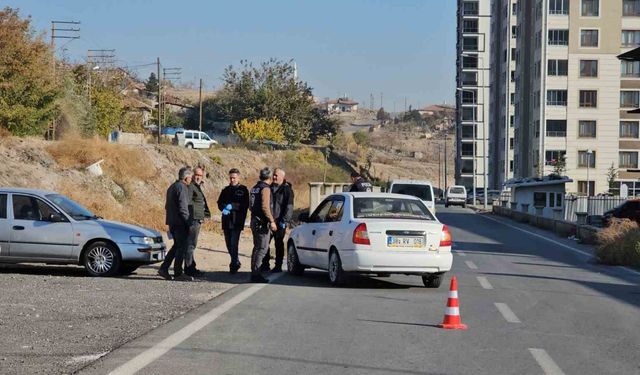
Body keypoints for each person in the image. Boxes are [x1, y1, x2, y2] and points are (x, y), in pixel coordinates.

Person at [158, 166, 194, 281]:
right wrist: (188, 222)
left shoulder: (172, 186)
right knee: (181, 248)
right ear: (187, 177)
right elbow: (183, 207)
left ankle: (164, 268)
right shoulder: (181, 187)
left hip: (172, 222)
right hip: (180, 223)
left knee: (176, 246)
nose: (191, 180)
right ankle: (178, 273)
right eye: (190, 177)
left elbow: (167, 206)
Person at [217, 168, 250, 274]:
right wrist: (224, 208)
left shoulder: (243, 189)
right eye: (230, 178)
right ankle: (236, 260)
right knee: (228, 243)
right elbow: (219, 202)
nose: (232, 180)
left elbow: (245, 205)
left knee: (234, 243)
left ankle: (233, 264)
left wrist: (233, 206)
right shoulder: (225, 190)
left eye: (234, 178)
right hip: (226, 220)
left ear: (238, 178)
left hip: (237, 220)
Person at [261, 168, 294, 273]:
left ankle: (278, 266)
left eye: (276, 175)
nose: (274, 177)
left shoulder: (287, 190)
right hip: (268, 221)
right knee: (265, 243)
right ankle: (265, 264)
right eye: (273, 175)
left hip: (280, 222)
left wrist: (284, 221)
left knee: (278, 244)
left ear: (282, 177)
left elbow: (289, 207)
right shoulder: (269, 188)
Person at [249, 167, 277, 283]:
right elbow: (265, 207)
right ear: (269, 177)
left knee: (256, 247)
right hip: (262, 223)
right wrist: (271, 221)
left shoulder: (254, 188)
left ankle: (254, 272)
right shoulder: (265, 189)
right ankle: (256, 273)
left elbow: (250, 205)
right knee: (262, 248)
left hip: (254, 220)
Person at [185, 165, 211, 277]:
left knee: (192, 244)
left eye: (200, 175)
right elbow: (188, 202)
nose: (198, 177)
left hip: (197, 219)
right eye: (196, 175)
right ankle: (188, 269)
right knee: (191, 245)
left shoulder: (197, 186)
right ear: (192, 175)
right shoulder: (191, 186)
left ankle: (192, 266)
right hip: (193, 219)